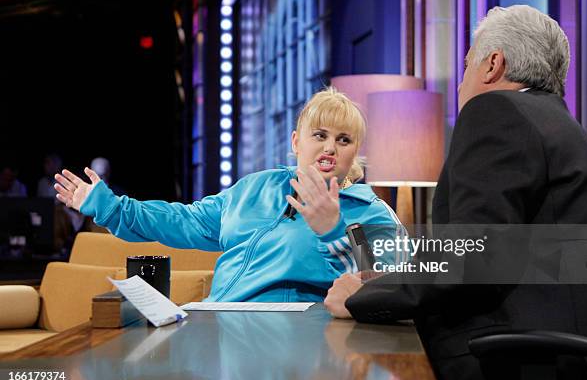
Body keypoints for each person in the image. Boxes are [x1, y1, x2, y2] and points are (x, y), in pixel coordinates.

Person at [324, 5, 587, 380]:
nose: (460, 84)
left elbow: (473, 255)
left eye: (466, 66)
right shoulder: (555, 123)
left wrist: (365, 296)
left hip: (523, 363)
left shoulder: (498, 110)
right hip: (568, 356)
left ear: (492, 64)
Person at [53, 88, 400, 302]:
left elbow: (395, 280)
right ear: (296, 142)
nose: (329, 148)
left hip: (298, 331)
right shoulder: (256, 188)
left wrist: (335, 230)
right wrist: (108, 206)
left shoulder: (371, 211)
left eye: (343, 140)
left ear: (356, 152)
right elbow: (183, 220)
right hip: (219, 317)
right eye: (320, 135)